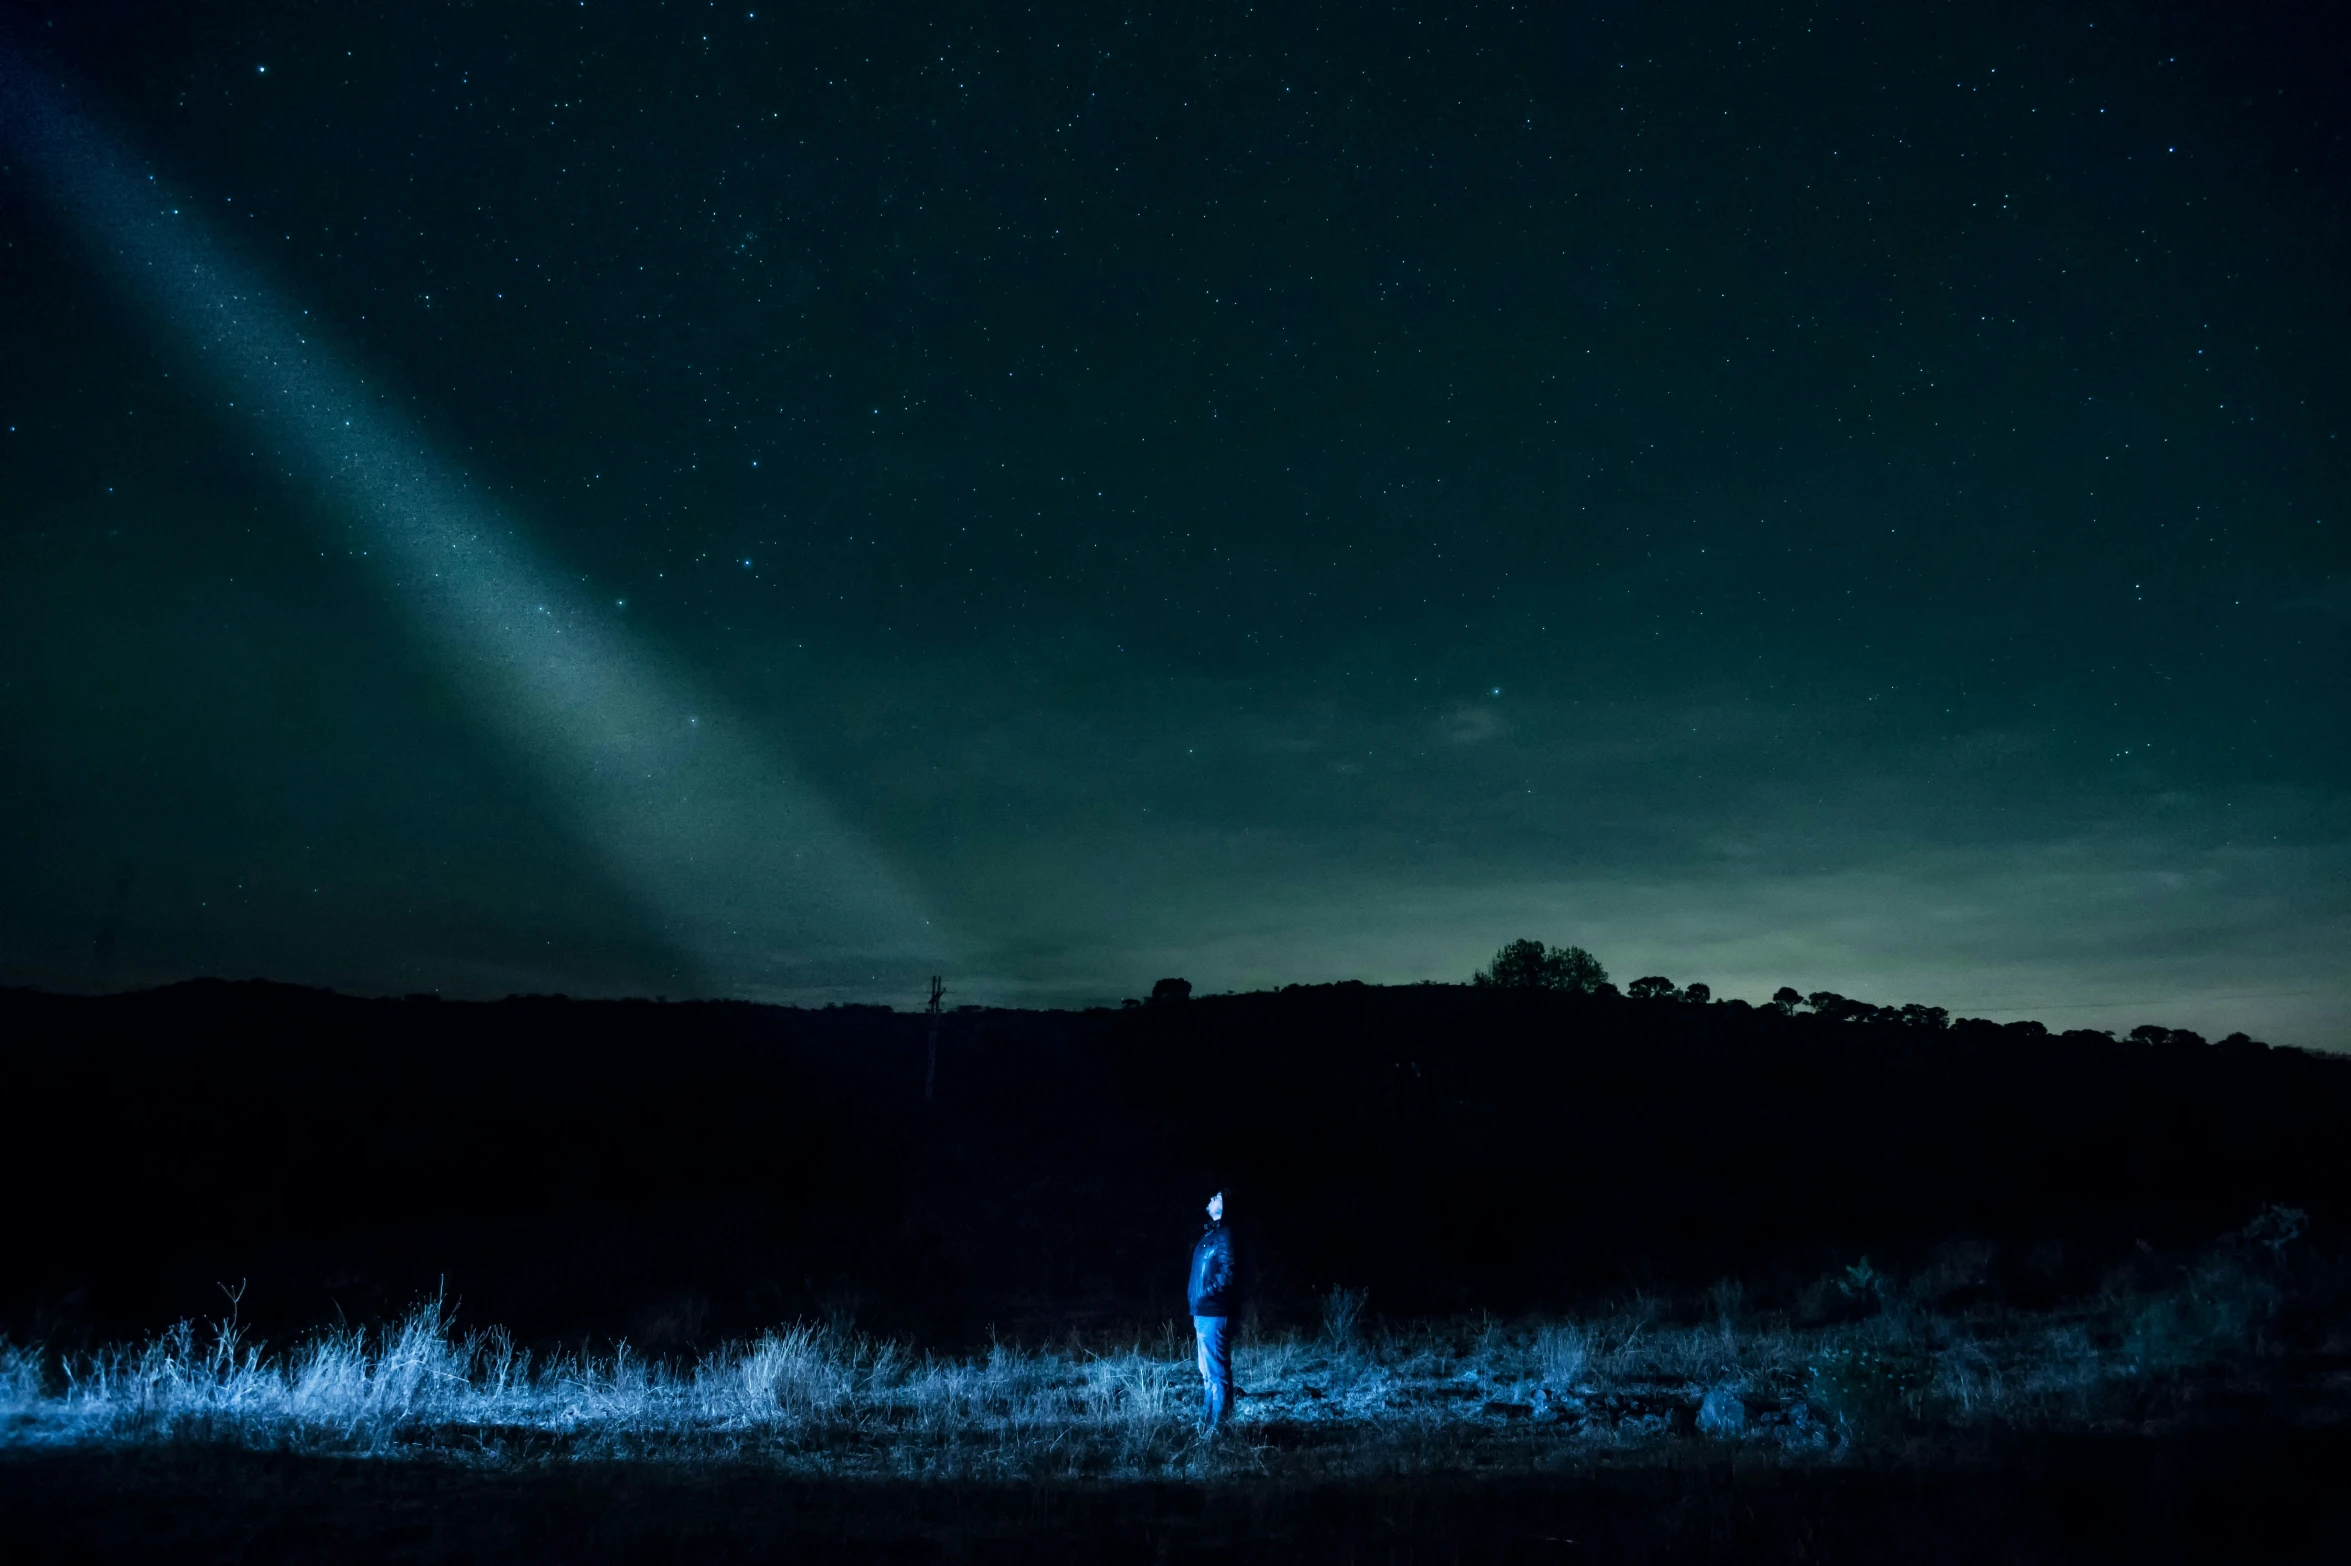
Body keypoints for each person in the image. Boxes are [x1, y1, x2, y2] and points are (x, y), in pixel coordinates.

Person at [1187, 1189, 1238, 1429]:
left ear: (1225, 1205)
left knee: (1216, 1373)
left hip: (1213, 1312)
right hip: (1202, 1311)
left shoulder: (1224, 1234)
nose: (1210, 1198)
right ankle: (1207, 1423)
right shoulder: (1212, 1233)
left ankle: (1220, 1430)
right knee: (1207, 1372)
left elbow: (1227, 1274)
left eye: (1216, 1196)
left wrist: (1204, 1294)